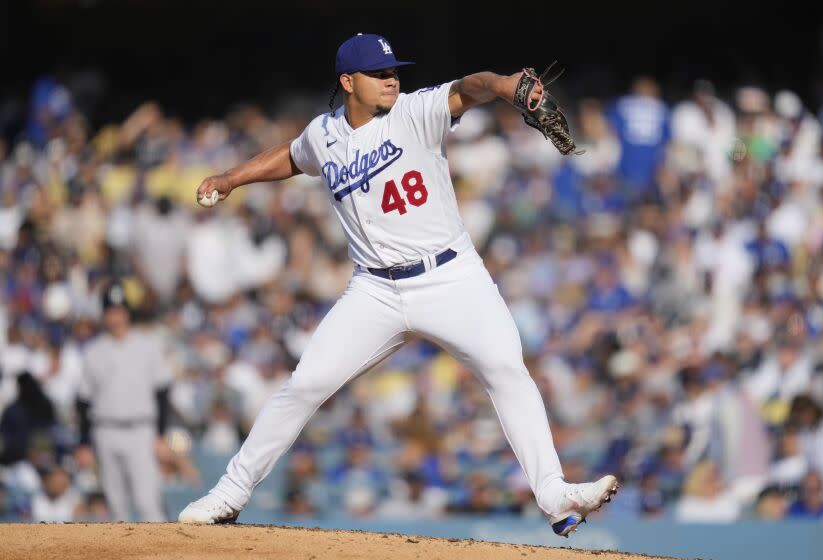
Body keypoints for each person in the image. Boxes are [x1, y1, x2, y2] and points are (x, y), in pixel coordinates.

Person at [178, 33, 617, 537]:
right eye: (378, 73)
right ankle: (229, 494)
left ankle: (557, 498)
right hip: (375, 291)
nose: (391, 79)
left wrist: (501, 84)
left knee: (506, 370)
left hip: (451, 276)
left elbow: (467, 89)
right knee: (304, 385)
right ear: (348, 82)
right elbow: (293, 157)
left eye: (393, 71)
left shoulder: (416, 111)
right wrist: (232, 177)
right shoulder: (324, 134)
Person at [75, 280, 173, 521]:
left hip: (141, 429)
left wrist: (161, 434)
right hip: (105, 429)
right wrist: (84, 442)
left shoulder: (147, 345)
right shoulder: (94, 351)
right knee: (115, 504)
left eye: (119, 310)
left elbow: (163, 392)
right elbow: (84, 401)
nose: (115, 316)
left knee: (146, 501)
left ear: (127, 312)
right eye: (110, 311)